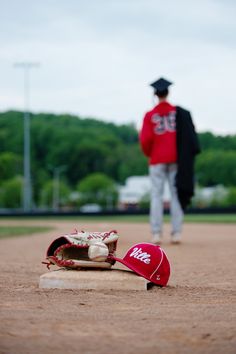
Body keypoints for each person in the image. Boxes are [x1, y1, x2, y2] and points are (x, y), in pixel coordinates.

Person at [139, 77, 200, 244]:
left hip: (157, 159)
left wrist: (150, 154)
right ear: (168, 92)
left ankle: (156, 234)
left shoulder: (150, 115)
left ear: (155, 94)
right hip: (176, 159)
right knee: (176, 195)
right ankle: (176, 233)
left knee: (156, 196)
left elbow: (145, 140)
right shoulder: (178, 113)